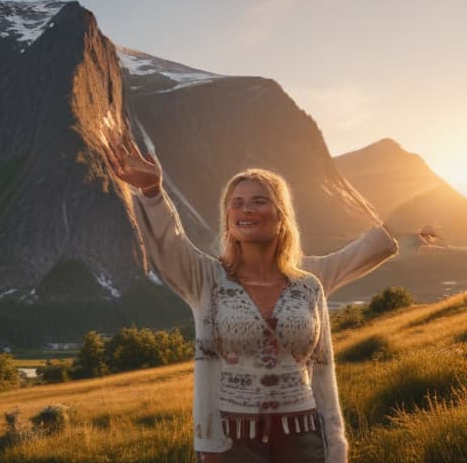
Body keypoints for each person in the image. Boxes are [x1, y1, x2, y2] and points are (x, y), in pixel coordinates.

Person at [103, 140, 422, 463]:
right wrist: (153, 191)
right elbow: (169, 245)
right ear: (227, 217)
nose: (246, 209)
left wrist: (336, 446)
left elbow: (324, 371)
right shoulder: (207, 279)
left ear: (281, 217)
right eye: (236, 203)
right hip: (230, 441)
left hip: (303, 437)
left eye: (259, 201)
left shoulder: (308, 285)